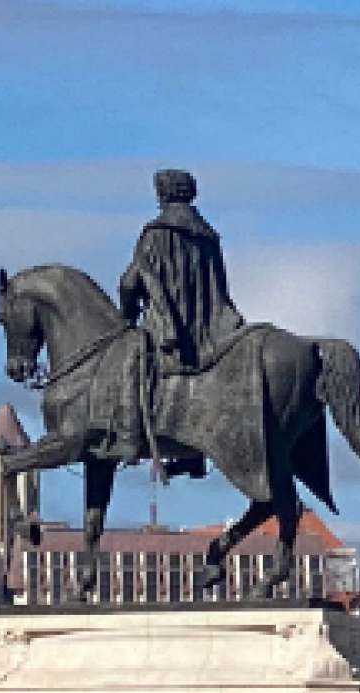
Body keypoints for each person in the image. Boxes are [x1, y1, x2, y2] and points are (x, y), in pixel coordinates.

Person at [118, 168, 249, 478]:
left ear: (162, 195)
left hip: (169, 327)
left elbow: (130, 282)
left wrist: (128, 315)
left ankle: (129, 437)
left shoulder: (156, 233)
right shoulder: (208, 235)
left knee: (127, 362)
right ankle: (194, 454)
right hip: (211, 328)